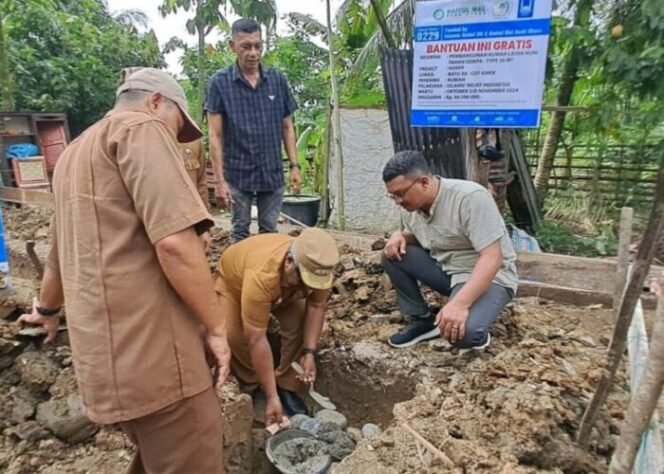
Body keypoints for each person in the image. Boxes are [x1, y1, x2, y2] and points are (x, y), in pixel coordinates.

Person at [18, 68, 230, 474]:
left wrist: (46, 311)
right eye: (176, 125)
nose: (174, 138)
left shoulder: (74, 154)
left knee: (157, 456)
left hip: (107, 365)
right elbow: (175, 243)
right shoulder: (141, 129)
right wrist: (216, 328)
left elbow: (61, 251)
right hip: (159, 358)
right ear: (154, 102)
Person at [381, 150, 517, 349]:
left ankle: (478, 319)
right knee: (392, 254)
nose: (398, 202)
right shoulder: (411, 208)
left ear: (424, 182)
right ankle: (422, 320)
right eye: (392, 196)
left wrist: (459, 305)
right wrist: (399, 235)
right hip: (447, 271)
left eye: (401, 194)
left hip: (488, 276)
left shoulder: (470, 198)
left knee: (464, 335)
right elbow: (420, 236)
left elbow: (492, 258)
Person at [215, 228, 339, 425]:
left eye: (313, 285)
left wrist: (309, 353)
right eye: (304, 280)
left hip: (284, 290)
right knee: (235, 337)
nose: (308, 289)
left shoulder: (318, 268)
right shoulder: (262, 275)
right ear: (289, 261)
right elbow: (256, 338)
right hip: (235, 285)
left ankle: (286, 385)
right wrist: (271, 398)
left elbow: (316, 305)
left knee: (299, 325)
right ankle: (254, 385)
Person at [205, 18, 301, 243]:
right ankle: (238, 276)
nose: (253, 53)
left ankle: (265, 276)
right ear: (232, 46)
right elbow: (215, 135)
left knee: (269, 233)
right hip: (237, 173)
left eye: (258, 46)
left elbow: (287, 126)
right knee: (240, 232)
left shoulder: (277, 80)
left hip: (272, 172)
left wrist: (295, 166)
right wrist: (219, 181)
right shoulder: (219, 83)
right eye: (245, 46)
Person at [121, 67, 212, 250]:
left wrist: (203, 228)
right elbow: (172, 244)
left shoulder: (191, 143)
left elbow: (200, 184)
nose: (175, 132)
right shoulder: (124, 145)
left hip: (185, 233)